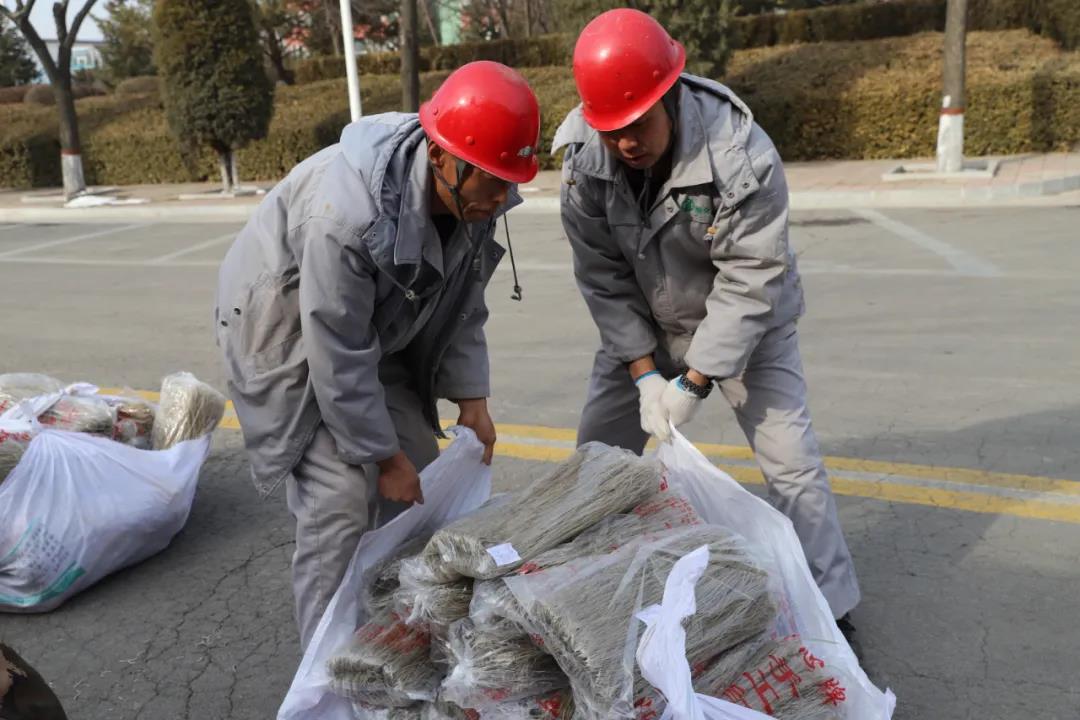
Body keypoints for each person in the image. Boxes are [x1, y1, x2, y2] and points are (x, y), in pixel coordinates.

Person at [553, 9, 862, 642]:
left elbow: (751, 276)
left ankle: (830, 606)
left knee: (791, 464)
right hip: (644, 317)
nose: (626, 144)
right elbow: (603, 279)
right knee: (597, 456)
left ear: (669, 94)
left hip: (749, 324)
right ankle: (570, 585)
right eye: (612, 132)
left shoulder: (740, 151)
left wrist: (693, 382)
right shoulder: (584, 161)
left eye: (637, 125)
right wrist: (644, 374)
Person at [215, 61, 541, 650]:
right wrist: (379, 457)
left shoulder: (473, 197)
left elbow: (463, 302)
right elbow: (334, 348)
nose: (502, 196)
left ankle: (396, 641)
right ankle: (325, 671)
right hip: (286, 335)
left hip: (373, 327)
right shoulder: (344, 213)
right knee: (339, 504)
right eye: (492, 181)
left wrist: (473, 399)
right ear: (444, 157)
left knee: (421, 472)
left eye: (509, 180)